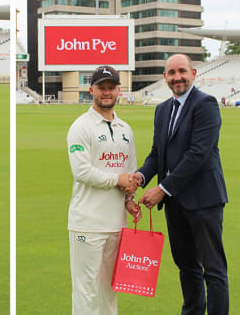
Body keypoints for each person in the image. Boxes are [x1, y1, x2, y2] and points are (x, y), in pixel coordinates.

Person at [135, 54, 229, 315]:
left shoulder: (206, 104)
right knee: (187, 268)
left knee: (213, 271)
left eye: (182, 71)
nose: (177, 77)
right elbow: (157, 153)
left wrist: (162, 189)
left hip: (204, 201)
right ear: (165, 77)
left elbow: (197, 154)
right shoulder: (162, 109)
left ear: (193, 73)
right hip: (175, 204)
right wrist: (141, 178)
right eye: (171, 73)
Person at [65, 65, 141, 315]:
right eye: (101, 88)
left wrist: (129, 198)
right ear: (91, 90)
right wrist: (117, 181)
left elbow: (129, 171)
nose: (106, 92)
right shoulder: (81, 127)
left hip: (117, 224)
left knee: (110, 288)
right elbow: (82, 172)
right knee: (86, 289)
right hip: (87, 222)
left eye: (111, 87)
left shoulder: (125, 130)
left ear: (119, 90)